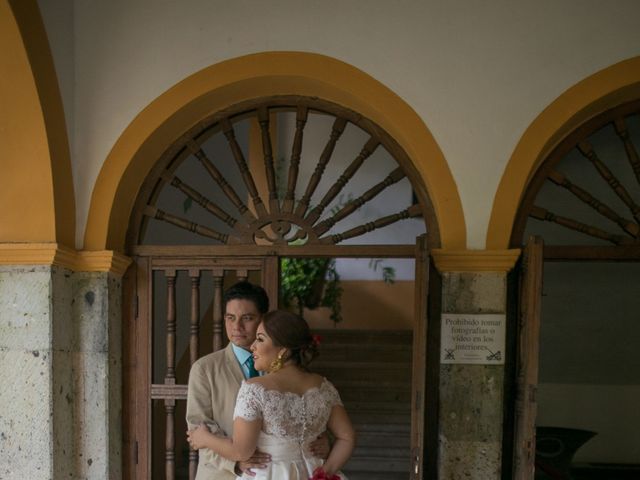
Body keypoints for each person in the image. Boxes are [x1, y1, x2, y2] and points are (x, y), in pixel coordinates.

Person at [187, 310, 355, 480]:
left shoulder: (255, 389)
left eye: (260, 339)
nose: (253, 346)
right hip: (312, 471)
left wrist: (205, 438)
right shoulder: (324, 386)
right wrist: (324, 473)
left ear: (283, 350)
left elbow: (241, 450)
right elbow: (347, 438)